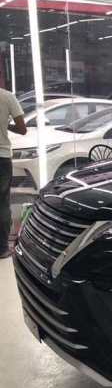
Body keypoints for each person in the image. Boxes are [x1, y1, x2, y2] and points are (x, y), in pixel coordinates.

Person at [0, 87, 27, 259]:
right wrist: (5, 124)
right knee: (2, 204)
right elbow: (22, 129)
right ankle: (2, 248)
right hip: (1, 157)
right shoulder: (7, 97)